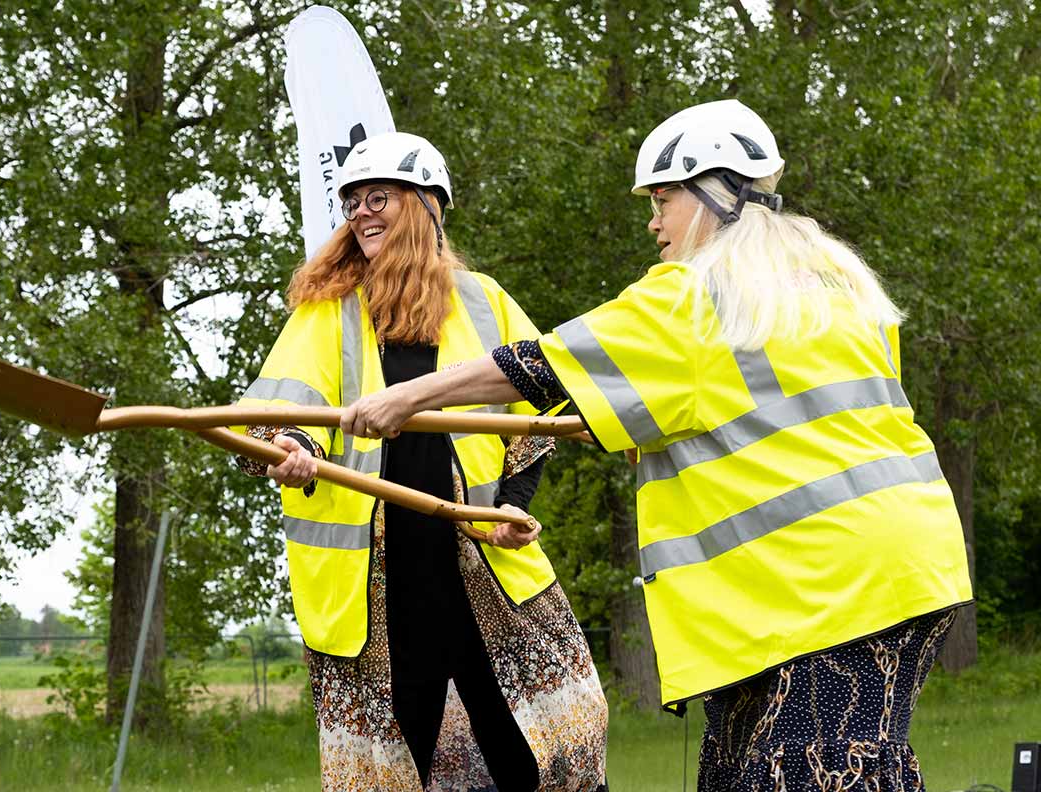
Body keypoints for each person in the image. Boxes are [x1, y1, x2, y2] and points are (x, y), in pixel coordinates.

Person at [340, 101, 973, 790]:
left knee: (807, 772)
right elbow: (746, 410)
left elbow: (543, 364)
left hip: (832, 587)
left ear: (711, 195)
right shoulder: (832, 284)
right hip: (886, 570)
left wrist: (405, 397)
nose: (653, 222)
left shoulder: (693, 293)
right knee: (740, 769)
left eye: (663, 200)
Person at [237, 130, 607, 791]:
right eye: (352, 201)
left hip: (481, 566)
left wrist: (513, 506)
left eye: (378, 196)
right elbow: (284, 406)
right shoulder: (327, 310)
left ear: (428, 206)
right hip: (377, 589)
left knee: (534, 750)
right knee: (403, 756)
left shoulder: (483, 299)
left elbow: (541, 407)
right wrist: (292, 449)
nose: (360, 212)